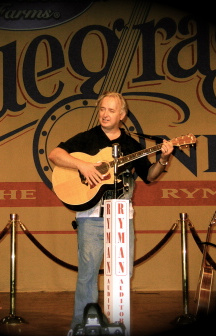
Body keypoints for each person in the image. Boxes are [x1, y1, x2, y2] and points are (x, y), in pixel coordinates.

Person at [48, 91, 174, 335]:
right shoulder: (87, 138)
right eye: (102, 109)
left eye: (111, 110)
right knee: (87, 274)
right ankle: (80, 326)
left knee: (122, 272)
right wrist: (83, 165)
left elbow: (149, 176)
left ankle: (118, 323)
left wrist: (164, 159)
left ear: (122, 115)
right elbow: (55, 155)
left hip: (121, 216)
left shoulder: (131, 145)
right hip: (91, 215)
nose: (105, 114)